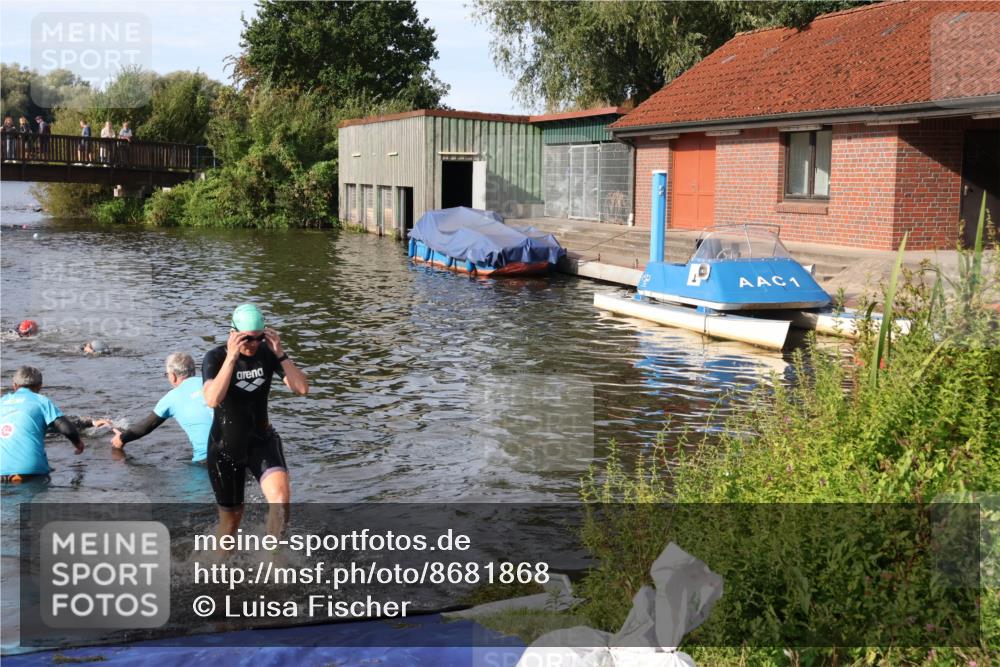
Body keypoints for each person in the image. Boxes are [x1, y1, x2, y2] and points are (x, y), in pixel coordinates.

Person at [202, 304, 308, 544]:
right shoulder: (215, 357)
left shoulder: (268, 353)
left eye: (259, 338)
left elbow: (302, 388)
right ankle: (215, 563)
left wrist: (280, 353)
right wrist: (232, 358)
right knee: (230, 525)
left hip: (262, 440)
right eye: (247, 338)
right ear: (233, 333)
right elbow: (212, 399)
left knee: (280, 501)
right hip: (225, 449)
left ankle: (272, 558)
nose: (253, 344)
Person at [110, 352, 213, 463]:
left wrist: (121, 438)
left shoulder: (171, 398)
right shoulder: (213, 384)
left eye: (167, 375)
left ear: (173, 376)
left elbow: (144, 427)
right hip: (227, 449)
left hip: (207, 460)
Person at [0, 366, 85, 482]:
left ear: (14, 385)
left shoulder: (2, 401)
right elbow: (66, 428)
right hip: (30, 471)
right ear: (40, 386)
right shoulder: (41, 400)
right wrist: (78, 444)